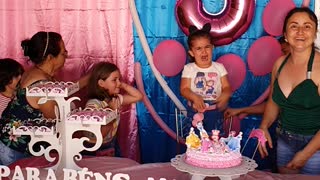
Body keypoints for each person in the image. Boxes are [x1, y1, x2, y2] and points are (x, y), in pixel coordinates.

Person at [0, 31, 89, 165]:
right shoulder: (41, 85)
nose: (66, 56)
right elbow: (55, 117)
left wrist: (88, 80)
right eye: (63, 53)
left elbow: (62, 93)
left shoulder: (38, 73)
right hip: (15, 148)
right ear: (49, 58)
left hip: (15, 144)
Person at [258, 7, 320, 175]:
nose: (300, 31)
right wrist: (264, 126)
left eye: (307, 26)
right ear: (285, 34)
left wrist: (305, 154)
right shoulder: (279, 64)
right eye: (294, 26)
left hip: (315, 148)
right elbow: (273, 102)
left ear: (315, 33)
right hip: (284, 141)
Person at [180, 23, 232, 134]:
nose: (204, 51)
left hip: (215, 111)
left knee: (215, 140)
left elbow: (227, 87)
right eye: (198, 48)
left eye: (207, 47)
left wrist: (225, 94)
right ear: (191, 53)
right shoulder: (189, 68)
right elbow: (184, 89)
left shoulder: (219, 67)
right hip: (194, 111)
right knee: (195, 141)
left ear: (212, 48)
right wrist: (194, 97)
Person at [83, 61, 143, 156]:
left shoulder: (115, 99)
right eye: (114, 80)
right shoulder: (93, 105)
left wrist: (122, 85)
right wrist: (112, 112)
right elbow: (101, 134)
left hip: (111, 143)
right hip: (95, 147)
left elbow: (138, 96)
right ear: (101, 83)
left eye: (119, 79)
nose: (118, 83)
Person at [224, 37, 290, 119]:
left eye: (284, 52)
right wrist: (240, 110)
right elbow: (272, 105)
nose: (281, 57)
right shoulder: (280, 76)